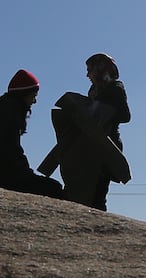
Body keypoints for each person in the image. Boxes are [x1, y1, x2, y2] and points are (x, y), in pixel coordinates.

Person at [36, 52, 132, 211]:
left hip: (105, 148)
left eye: (90, 70)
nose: (87, 74)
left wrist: (101, 111)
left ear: (101, 69)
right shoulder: (95, 90)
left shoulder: (115, 88)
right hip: (88, 147)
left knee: (98, 195)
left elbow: (125, 115)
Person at [0, 69, 66, 199]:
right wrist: (27, 175)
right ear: (24, 94)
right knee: (54, 188)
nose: (35, 101)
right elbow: (11, 153)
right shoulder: (9, 111)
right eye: (34, 96)